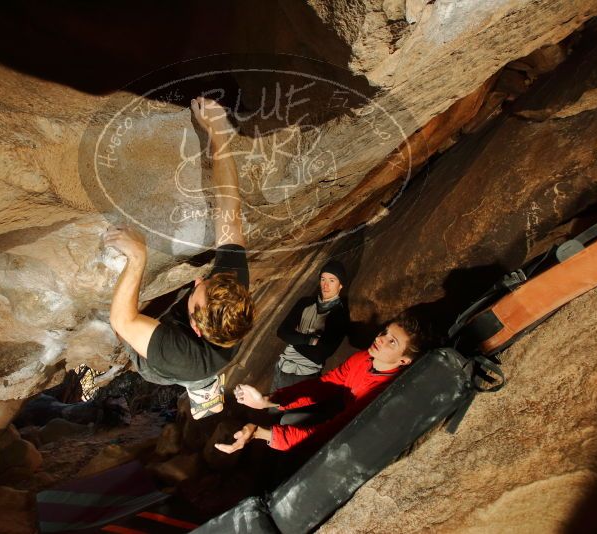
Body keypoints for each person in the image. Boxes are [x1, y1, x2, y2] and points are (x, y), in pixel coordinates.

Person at [103, 97, 254, 419]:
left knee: (126, 335)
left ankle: (202, 389)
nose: (199, 278)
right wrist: (218, 131)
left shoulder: (178, 356)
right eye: (207, 280)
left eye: (198, 288)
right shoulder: (230, 290)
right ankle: (208, 388)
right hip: (204, 353)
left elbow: (122, 321)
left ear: (197, 330)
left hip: (166, 368)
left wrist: (137, 257)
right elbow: (230, 208)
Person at [215, 314, 425, 454]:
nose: (381, 339)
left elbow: (332, 432)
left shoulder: (384, 393)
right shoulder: (363, 359)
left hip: (357, 441)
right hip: (343, 410)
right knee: (288, 419)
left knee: (295, 441)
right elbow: (325, 385)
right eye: (384, 333)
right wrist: (268, 401)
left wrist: (260, 432)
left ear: (404, 361)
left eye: (392, 342)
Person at [272, 260, 350, 390]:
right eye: (323, 279)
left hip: (305, 376)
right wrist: (310, 340)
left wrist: (294, 339)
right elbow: (282, 332)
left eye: (332, 280)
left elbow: (319, 355)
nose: (325, 285)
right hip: (282, 368)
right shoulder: (304, 303)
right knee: (272, 409)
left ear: (340, 285)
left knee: (295, 410)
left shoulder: (339, 315)